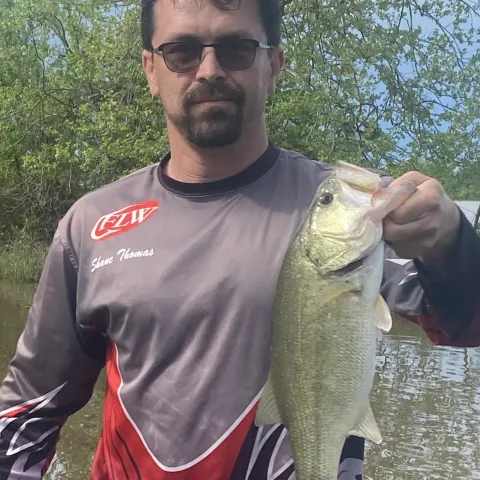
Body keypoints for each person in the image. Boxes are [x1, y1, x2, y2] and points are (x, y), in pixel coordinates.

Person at [1, 0, 479, 478]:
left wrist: (451, 241)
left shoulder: (352, 209)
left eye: (236, 49)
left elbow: (468, 327)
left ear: (274, 66)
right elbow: (28, 408)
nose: (209, 70)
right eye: (181, 51)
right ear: (150, 69)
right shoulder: (93, 224)